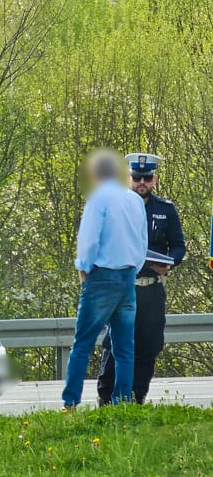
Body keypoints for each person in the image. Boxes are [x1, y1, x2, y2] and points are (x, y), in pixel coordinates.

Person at [61, 149, 147, 409]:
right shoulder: (133, 200)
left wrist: (83, 269)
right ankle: (122, 403)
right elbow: (142, 242)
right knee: (124, 348)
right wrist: (132, 267)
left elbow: (88, 240)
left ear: (96, 173)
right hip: (128, 276)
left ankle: (70, 402)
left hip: (101, 277)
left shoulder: (98, 198)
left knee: (83, 344)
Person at [97, 153, 185, 405]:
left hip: (152, 289)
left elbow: (178, 246)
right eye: (136, 177)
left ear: (154, 179)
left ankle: (136, 398)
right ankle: (106, 399)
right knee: (115, 345)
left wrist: (169, 263)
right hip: (123, 287)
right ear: (129, 178)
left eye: (146, 177)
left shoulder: (165, 210)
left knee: (149, 344)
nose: (141, 182)